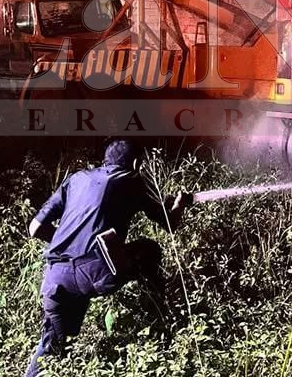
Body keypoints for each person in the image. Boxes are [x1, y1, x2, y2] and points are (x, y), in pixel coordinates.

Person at [29, 139, 187, 356]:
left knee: (51, 350)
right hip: (94, 273)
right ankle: (158, 324)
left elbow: (35, 228)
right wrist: (180, 204)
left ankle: (43, 367)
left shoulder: (75, 179)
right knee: (150, 249)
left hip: (56, 277)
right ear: (136, 164)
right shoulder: (132, 179)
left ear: (105, 162)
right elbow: (170, 223)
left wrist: (69, 243)